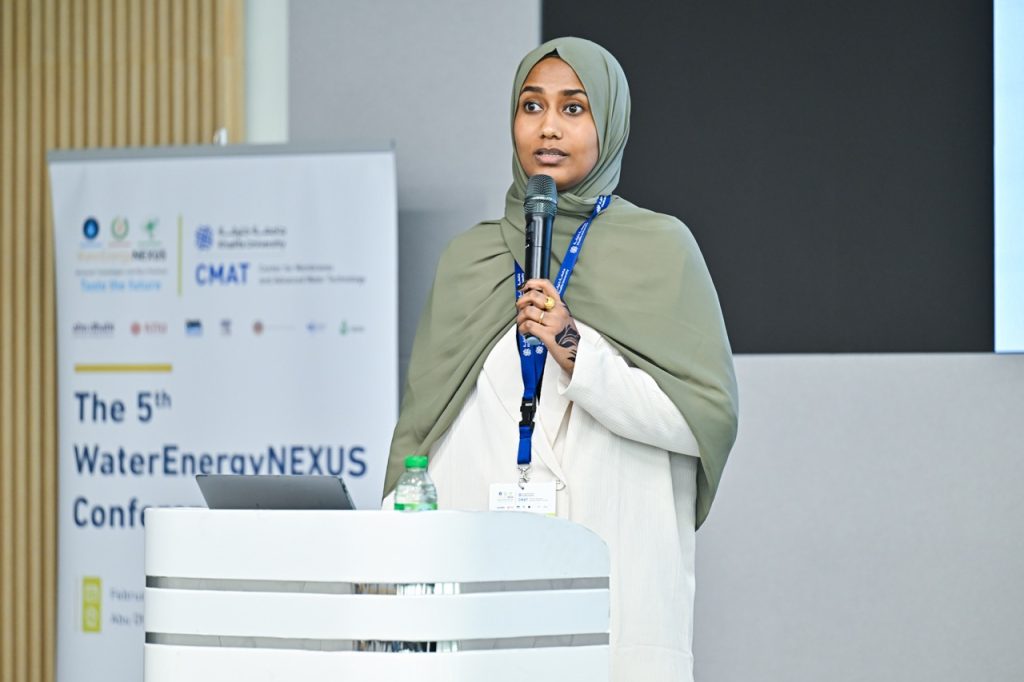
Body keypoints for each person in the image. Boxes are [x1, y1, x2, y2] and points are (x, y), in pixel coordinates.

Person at [385, 36, 738, 681]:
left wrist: (576, 350)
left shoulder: (662, 251)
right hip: (481, 615)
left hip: (614, 612)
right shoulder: (469, 261)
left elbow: (701, 422)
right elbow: (427, 435)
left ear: (609, 124)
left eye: (573, 108)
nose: (548, 127)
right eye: (532, 105)